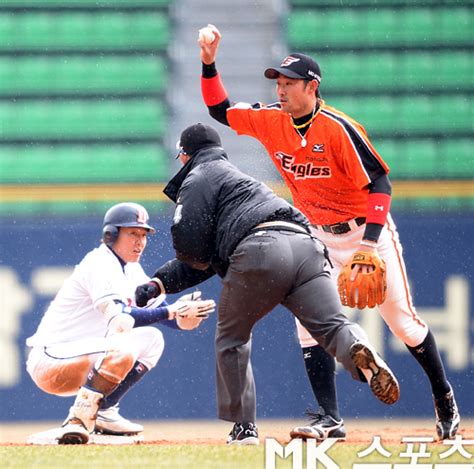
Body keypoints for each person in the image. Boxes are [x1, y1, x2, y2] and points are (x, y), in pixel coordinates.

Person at [196, 25, 460, 441]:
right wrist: (208, 62)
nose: (281, 90)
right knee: (309, 324)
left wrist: (369, 246)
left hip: (365, 234)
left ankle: (444, 399)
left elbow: (380, 185)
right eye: (278, 83)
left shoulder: (338, 128)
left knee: (403, 323)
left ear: (312, 87)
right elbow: (220, 110)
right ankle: (330, 418)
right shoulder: (271, 120)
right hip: (316, 236)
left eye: (289, 83)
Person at [135, 122, 400, 446]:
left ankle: (243, 427)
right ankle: (356, 346)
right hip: (307, 245)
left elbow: (192, 248)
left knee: (233, 336)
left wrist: (173, 272)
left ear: (186, 155)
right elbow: (208, 254)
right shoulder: (240, 180)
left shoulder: (199, 175)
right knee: (330, 327)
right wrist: (160, 284)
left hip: (259, 248)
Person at [26, 202, 215, 444]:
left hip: (86, 356)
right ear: (111, 235)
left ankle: (103, 410)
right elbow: (120, 320)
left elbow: (156, 312)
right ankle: (77, 420)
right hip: (51, 359)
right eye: (133, 233)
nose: (140, 241)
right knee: (122, 346)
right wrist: (171, 311)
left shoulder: (132, 269)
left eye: (144, 235)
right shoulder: (98, 263)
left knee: (152, 340)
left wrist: (183, 316)